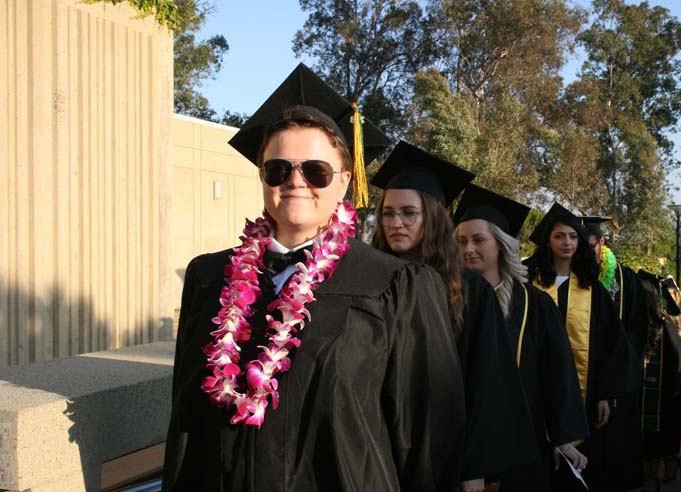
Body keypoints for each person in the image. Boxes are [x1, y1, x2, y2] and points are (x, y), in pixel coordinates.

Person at [162, 64, 466, 492]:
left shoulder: (396, 284)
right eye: (278, 169)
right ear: (263, 177)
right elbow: (186, 420)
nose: (295, 181)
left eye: (316, 171)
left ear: (344, 181)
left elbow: (430, 439)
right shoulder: (209, 277)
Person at [370, 142, 538, 492]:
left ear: (431, 215)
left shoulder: (470, 289)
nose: (396, 223)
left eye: (408, 213)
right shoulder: (368, 279)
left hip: (442, 447)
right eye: (388, 213)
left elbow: (486, 380)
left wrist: (473, 466)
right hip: (375, 441)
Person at [453, 185, 589, 492]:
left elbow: (557, 372)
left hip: (523, 443)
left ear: (501, 244)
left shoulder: (535, 304)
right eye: (461, 241)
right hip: (460, 440)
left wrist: (561, 437)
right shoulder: (449, 299)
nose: (468, 249)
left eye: (478, 240)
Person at [525, 203, 634, 492]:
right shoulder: (528, 284)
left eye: (573, 236)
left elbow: (612, 344)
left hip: (582, 395)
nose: (567, 243)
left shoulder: (592, 289)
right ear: (548, 239)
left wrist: (603, 394)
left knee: (580, 470)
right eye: (560, 236)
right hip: (534, 389)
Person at [582, 217, 648, 492]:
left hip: (617, 378)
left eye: (590, 246)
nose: (585, 253)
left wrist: (616, 369)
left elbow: (638, 329)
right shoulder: (576, 279)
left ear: (602, 243)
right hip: (584, 375)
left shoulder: (626, 279)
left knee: (616, 447)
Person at [638, 271, 681, 490]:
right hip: (651, 386)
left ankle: (669, 461)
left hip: (673, 384)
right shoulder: (639, 319)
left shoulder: (672, 319)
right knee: (651, 430)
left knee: (667, 427)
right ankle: (651, 472)